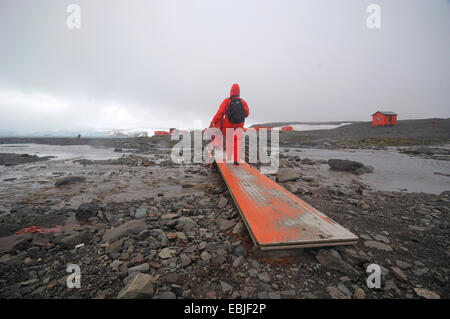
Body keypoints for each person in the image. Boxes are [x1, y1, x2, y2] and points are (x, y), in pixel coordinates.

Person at [209, 83, 249, 165]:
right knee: (237, 142)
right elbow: (247, 114)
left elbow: (219, 114)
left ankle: (229, 157)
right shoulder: (243, 102)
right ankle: (236, 160)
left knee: (229, 141)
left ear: (231, 91)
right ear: (238, 92)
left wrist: (212, 123)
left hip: (228, 125)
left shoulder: (227, 101)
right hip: (239, 126)